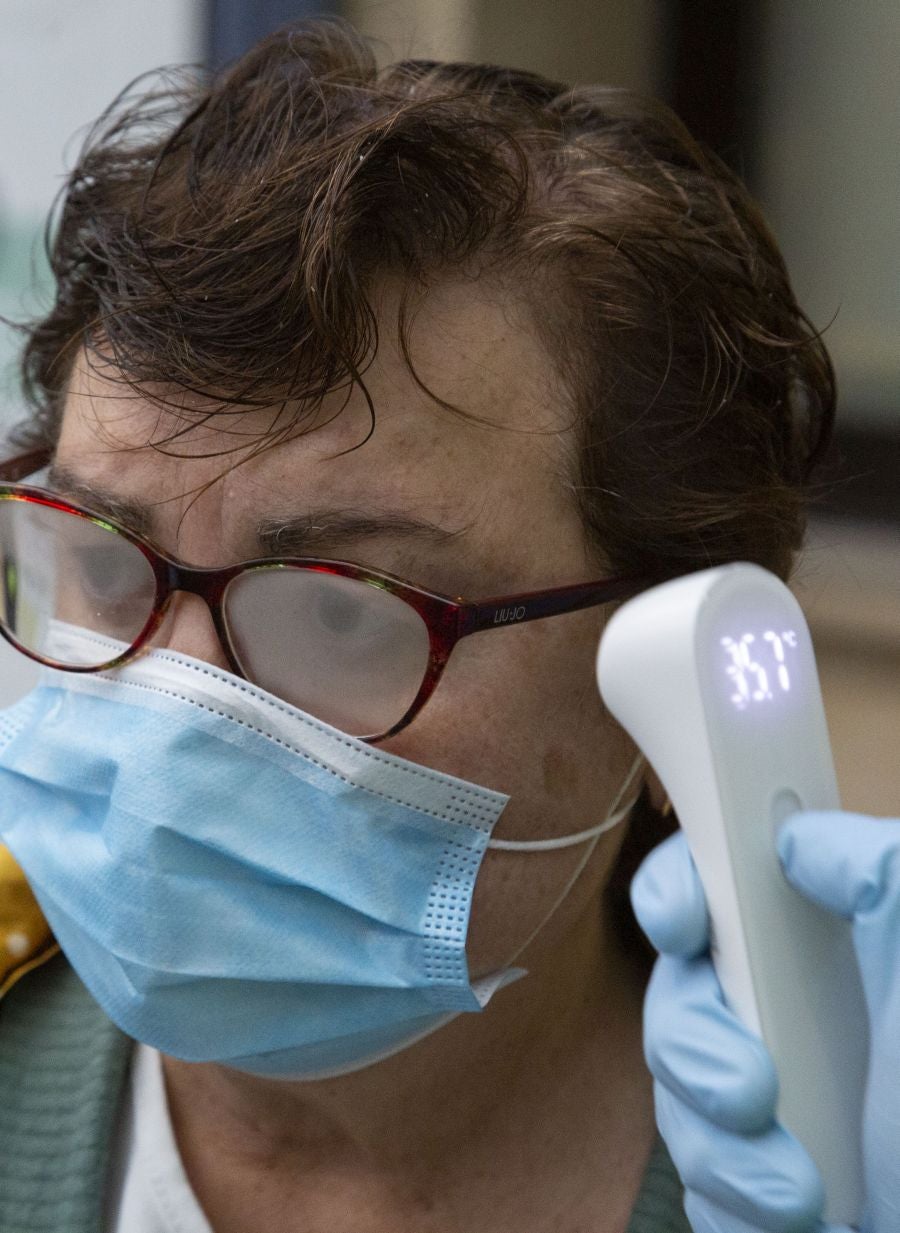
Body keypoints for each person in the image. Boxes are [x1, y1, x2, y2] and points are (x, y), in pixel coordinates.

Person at [0, 18, 890, 1233]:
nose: (169, 713)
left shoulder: (824, 1166)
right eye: (108, 563)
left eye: (338, 610)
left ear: (667, 676)